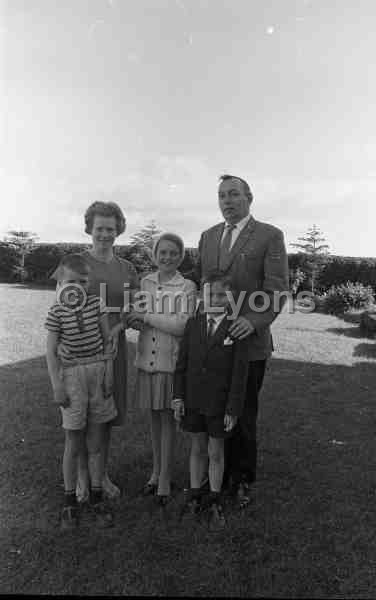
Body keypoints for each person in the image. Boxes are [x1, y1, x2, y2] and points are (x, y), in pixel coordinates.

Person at [196, 174, 289, 506]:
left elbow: (276, 290)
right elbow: (203, 289)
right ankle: (215, 474)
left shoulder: (269, 235)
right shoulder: (207, 237)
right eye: (221, 195)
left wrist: (253, 321)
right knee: (213, 409)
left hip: (250, 345)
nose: (227, 201)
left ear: (249, 197)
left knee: (243, 412)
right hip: (212, 345)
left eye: (234, 194)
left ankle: (242, 479)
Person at [52, 201, 139, 502]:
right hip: (77, 354)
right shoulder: (74, 263)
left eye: (111, 228)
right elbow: (59, 303)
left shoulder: (128, 268)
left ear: (119, 230)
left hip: (113, 350)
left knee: (104, 416)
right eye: (100, 227)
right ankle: (80, 478)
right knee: (79, 418)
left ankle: (101, 475)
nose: (105, 234)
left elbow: (135, 308)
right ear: (90, 228)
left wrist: (126, 322)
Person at [173, 271, 249, 528]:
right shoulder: (193, 324)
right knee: (197, 449)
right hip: (193, 400)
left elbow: (240, 374)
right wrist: (178, 396)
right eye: (209, 294)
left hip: (220, 404)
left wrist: (233, 408)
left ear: (230, 297)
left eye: (220, 294)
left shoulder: (236, 327)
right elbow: (181, 365)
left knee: (216, 452)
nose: (214, 299)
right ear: (201, 295)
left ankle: (215, 499)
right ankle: (195, 495)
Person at [46, 254, 117, 530]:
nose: (77, 285)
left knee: (97, 443)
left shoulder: (96, 303)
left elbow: (107, 341)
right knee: (73, 443)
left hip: (97, 374)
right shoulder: (56, 310)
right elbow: (51, 351)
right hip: (72, 376)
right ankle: (69, 502)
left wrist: (108, 374)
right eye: (71, 281)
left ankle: (97, 497)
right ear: (61, 282)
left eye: (83, 281)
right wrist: (57, 385)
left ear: (89, 282)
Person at [127, 232, 197, 505]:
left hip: (171, 364)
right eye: (162, 252)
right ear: (154, 255)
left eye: (173, 253)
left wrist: (145, 316)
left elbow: (181, 325)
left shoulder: (187, 286)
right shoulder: (146, 282)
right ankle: (155, 474)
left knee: (168, 421)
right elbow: (143, 318)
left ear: (180, 256)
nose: (167, 257)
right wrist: (135, 320)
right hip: (147, 362)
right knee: (155, 422)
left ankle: (166, 480)